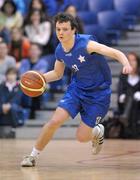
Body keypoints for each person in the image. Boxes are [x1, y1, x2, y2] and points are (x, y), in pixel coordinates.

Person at [21, 13, 132, 167]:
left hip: (98, 95)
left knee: (81, 137)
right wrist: (41, 78)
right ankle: (32, 156)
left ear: (74, 30)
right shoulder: (60, 50)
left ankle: (97, 132)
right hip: (77, 89)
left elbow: (114, 52)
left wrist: (126, 63)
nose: (60, 33)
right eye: (58, 29)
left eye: (65, 29)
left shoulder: (87, 44)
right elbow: (58, 74)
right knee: (54, 121)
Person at [117, 52, 140, 138]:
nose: (131, 62)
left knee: (133, 99)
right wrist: (121, 96)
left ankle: (126, 118)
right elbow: (120, 89)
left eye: (133, 60)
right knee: (129, 95)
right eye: (129, 60)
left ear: (137, 62)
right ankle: (129, 129)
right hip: (125, 103)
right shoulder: (123, 75)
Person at [0, 67, 25, 138]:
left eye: (13, 74)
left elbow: (17, 98)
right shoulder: (1, 86)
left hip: (15, 105)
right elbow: (1, 97)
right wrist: (3, 106)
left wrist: (9, 105)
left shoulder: (20, 86)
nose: (11, 76)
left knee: (13, 108)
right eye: (9, 74)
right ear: (6, 76)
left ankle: (14, 128)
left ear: (16, 75)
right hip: (3, 105)